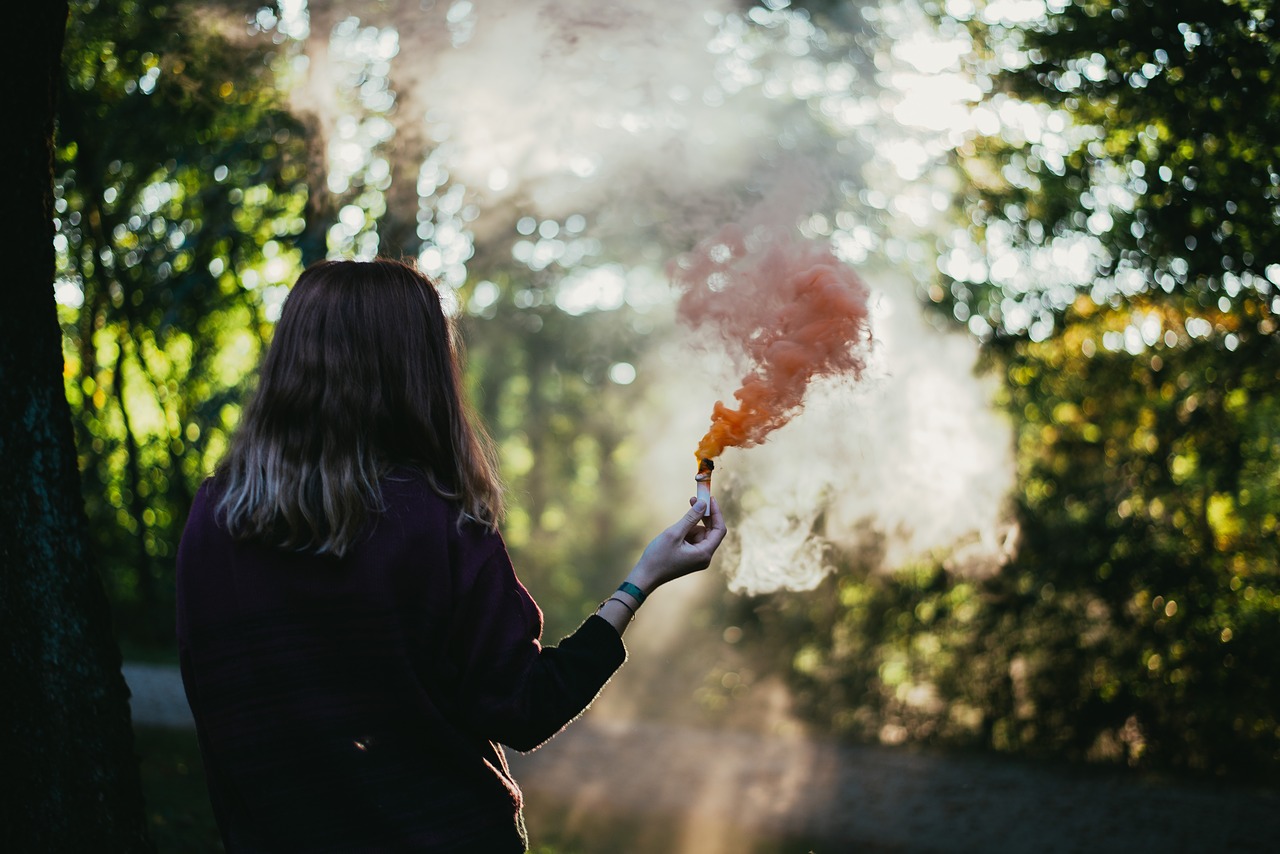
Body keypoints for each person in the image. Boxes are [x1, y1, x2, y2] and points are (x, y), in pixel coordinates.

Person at [176, 258, 727, 853]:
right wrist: (642, 581)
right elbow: (522, 707)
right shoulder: (435, 520)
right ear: (417, 370)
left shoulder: (214, 520)